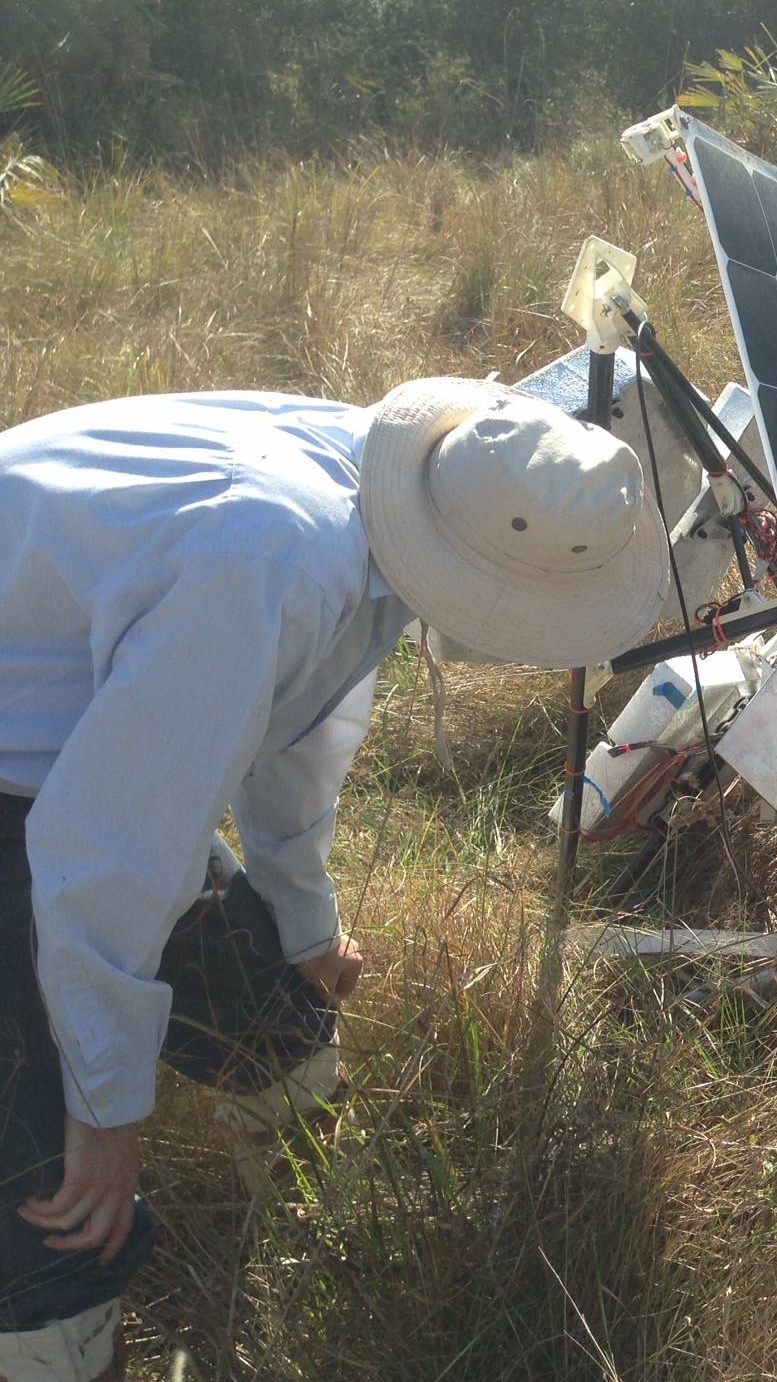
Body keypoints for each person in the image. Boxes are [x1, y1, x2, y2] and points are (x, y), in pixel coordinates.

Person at [0, 378, 670, 1379]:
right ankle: (51, 1338)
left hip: (64, 742)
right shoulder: (267, 554)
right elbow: (106, 852)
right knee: (47, 1201)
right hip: (31, 774)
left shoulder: (367, 509)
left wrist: (304, 928)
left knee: (261, 1000)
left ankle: (322, 1214)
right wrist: (101, 1115)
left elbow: (287, 726)